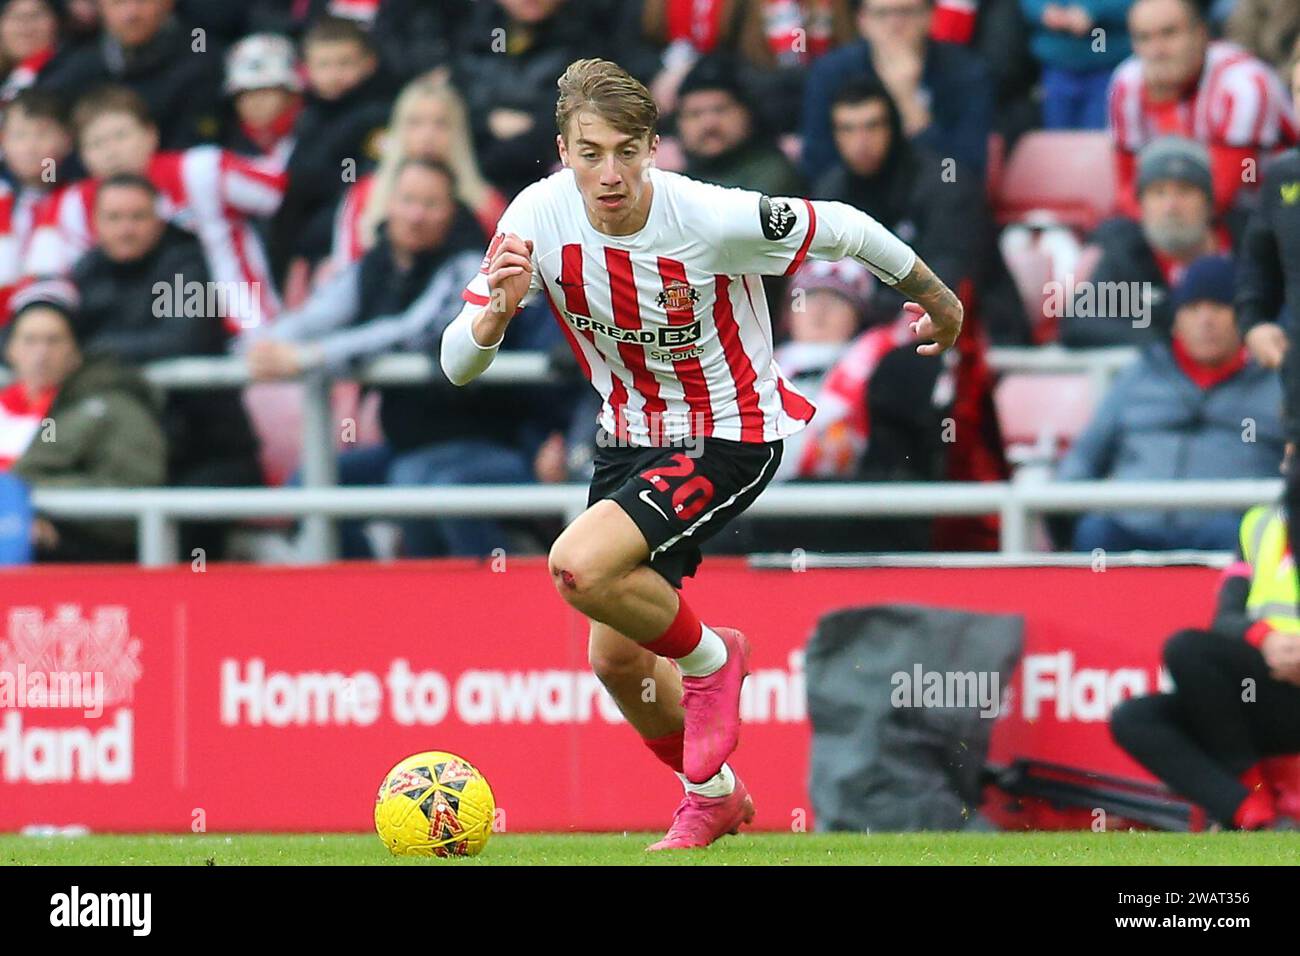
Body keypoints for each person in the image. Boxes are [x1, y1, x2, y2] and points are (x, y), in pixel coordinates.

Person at [440, 57, 962, 849]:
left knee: (577, 566)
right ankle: (711, 793)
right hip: (628, 439)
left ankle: (714, 659)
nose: (608, 173)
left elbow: (848, 227)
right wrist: (491, 322)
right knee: (615, 661)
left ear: (654, 147)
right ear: (563, 150)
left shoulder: (711, 216)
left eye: (626, 150)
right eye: (590, 152)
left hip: (730, 430)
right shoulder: (535, 218)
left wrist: (938, 298)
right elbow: (455, 363)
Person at [240, 158, 565, 558]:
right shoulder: (373, 265)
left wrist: (310, 357)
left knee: (417, 478)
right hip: (407, 443)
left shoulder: (470, 266)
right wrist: (260, 347)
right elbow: (316, 315)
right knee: (305, 487)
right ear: (388, 204)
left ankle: (488, 594)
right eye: (408, 200)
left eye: (430, 204)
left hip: (491, 440)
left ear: (452, 211)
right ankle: (367, 591)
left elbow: (412, 331)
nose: (416, 215)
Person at [71, 173, 262, 557]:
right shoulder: (87, 271)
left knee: (186, 542)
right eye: (114, 218)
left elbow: (183, 339)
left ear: (159, 220)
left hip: (206, 453)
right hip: (120, 455)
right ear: (95, 224)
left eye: (137, 217)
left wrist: (89, 355)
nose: (126, 229)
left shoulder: (186, 261)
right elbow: (42, 332)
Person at [1058, 255, 1284, 552]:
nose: (1206, 320)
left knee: (1239, 535)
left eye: (1219, 307)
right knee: (1094, 532)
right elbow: (1084, 459)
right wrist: (1059, 509)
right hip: (1132, 529)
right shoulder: (1141, 373)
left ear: (1244, 318)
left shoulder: (1276, 382)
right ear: (1176, 320)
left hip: (1225, 532)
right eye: (1192, 308)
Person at [25, 84, 286, 330]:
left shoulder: (201, 169)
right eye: (96, 143)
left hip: (249, 331)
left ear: (151, 134)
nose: (111, 151)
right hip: (137, 339)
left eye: (120, 135)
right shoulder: (73, 206)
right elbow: (52, 280)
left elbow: (282, 195)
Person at [1111, 498, 1300, 830]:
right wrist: (1265, 638)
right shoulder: (1260, 523)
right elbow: (1225, 618)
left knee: (1189, 650)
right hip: (1268, 686)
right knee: (1137, 715)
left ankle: (1249, 801)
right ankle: (1249, 809)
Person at [814, 77, 1029, 344]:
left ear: (894, 126)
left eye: (872, 126)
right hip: (859, 338)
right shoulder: (831, 191)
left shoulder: (945, 184)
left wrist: (859, 303)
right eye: (847, 129)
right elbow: (817, 279)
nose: (860, 141)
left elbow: (945, 284)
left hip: (969, 337)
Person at [1, 276, 166, 561]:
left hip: (73, 552)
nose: (41, 353)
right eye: (29, 340)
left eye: (53, 340)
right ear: (10, 350)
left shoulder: (114, 406)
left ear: (76, 351)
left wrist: (30, 507)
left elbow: (131, 497)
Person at [1107, 0, 1296, 219]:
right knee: (1116, 234)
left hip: (1265, 205)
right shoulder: (1127, 82)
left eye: (1169, 34)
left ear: (1201, 34)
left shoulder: (1244, 84)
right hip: (1179, 215)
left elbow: (1223, 193)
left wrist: (1165, 107)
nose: (1156, 50)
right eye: (1144, 38)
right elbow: (1128, 186)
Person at [1062, 136, 1232, 348]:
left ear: (1209, 203)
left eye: (1184, 191)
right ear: (1140, 206)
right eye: (1158, 193)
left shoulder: (1242, 245)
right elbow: (1083, 324)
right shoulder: (1126, 251)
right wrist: (1170, 346)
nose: (1171, 207)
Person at [330, 72, 508, 272]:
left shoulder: (487, 203)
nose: (427, 135)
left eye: (440, 123)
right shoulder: (364, 196)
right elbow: (347, 271)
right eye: (415, 123)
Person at [799, 0, 993, 182]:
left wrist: (908, 100)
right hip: (856, 199)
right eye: (881, 14)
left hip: (932, 201)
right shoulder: (831, 73)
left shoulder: (965, 73)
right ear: (862, 20)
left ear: (930, 16)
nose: (895, 24)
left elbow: (959, 175)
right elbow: (818, 167)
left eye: (906, 12)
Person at [267, 15, 394, 276]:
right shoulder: (304, 116)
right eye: (324, 65)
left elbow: (355, 192)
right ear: (306, 69)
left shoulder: (380, 118)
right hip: (297, 251)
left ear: (369, 64)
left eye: (345, 63)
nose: (334, 74)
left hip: (343, 252)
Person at [37, 0, 225, 149]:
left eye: (142, 1)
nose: (131, 14)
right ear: (100, 8)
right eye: (118, 2)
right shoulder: (79, 68)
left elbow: (199, 150)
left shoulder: (201, 61)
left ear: (167, 3)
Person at [674, 53, 804, 196]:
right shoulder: (674, 180)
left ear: (747, 114)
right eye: (695, 114)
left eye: (720, 110)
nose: (709, 123)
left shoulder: (772, 174)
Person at [0, 88, 73, 312]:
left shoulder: (79, 199)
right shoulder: (5, 200)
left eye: (41, 134)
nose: (30, 147)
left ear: (67, 139)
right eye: (19, 135)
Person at [1019, 0, 1131, 129]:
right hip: (1057, 67)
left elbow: (1135, 7)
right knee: (1057, 137)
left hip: (1106, 68)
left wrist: (1093, 10)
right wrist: (1044, 10)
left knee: (1098, 136)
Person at [221, 33, 303, 167]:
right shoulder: (228, 145)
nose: (255, 103)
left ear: (291, 96)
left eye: (265, 92)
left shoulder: (312, 140)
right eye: (245, 94)